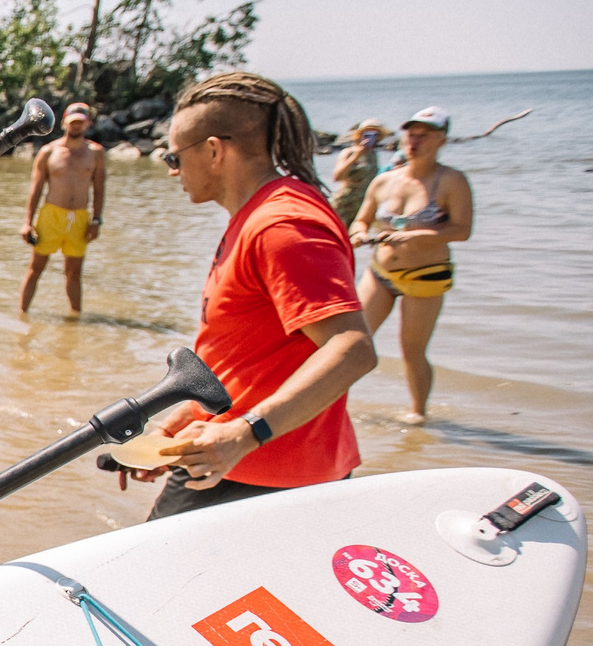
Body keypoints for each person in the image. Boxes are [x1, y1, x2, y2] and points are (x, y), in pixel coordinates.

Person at [135, 72, 377, 520]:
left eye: (174, 155)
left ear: (213, 150)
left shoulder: (282, 225)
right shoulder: (258, 215)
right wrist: (193, 413)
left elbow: (352, 348)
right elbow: (256, 351)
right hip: (230, 455)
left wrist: (245, 432)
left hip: (258, 473)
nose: (171, 170)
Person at [349, 107, 474, 426]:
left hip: (425, 277)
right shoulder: (386, 180)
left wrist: (414, 236)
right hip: (380, 274)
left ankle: (419, 416)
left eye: (424, 135)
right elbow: (360, 220)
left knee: (411, 350)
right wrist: (361, 233)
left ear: (442, 140)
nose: (414, 141)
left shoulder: (452, 180)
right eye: (411, 133)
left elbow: (462, 230)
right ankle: (331, 407)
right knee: (351, 343)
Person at [20, 101, 109, 315]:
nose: (76, 126)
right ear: (64, 123)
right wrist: (27, 223)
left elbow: (99, 188)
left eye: (80, 122)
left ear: (87, 124)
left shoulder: (96, 153)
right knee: (36, 268)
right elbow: (36, 189)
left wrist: (96, 220)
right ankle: (22, 315)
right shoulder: (49, 151)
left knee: (74, 273)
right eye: (72, 122)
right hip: (51, 215)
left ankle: (75, 319)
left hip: (79, 218)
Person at [329, 121, 387, 231]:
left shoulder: (373, 154)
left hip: (362, 204)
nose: (371, 138)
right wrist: (355, 157)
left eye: (375, 135)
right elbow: (337, 177)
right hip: (345, 203)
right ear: (360, 136)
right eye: (367, 135)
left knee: (355, 239)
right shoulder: (348, 152)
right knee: (338, 236)